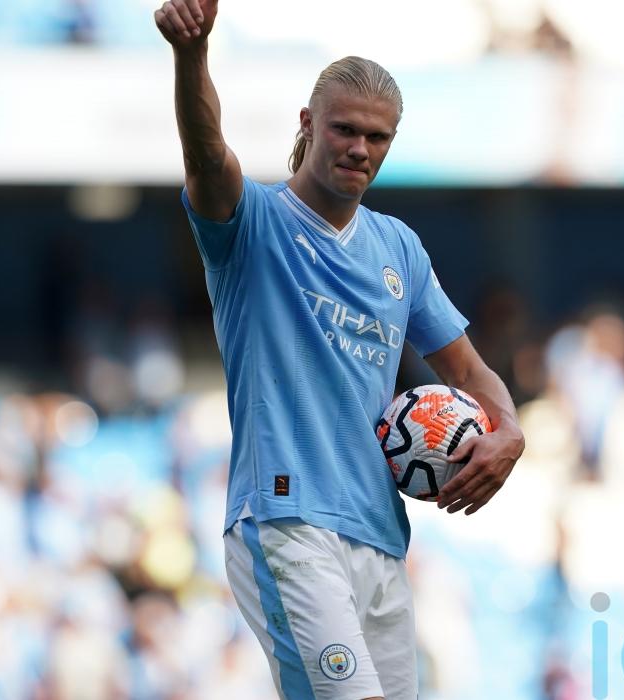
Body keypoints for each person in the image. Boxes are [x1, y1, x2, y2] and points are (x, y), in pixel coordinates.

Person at [154, 1, 525, 698]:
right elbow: (206, 152)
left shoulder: (398, 248)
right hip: (288, 519)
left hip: (380, 533)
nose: (360, 148)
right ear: (307, 123)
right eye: (345, 129)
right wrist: (192, 54)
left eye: (377, 137)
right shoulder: (253, 224)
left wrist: (509, 429)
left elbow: (469, 370)